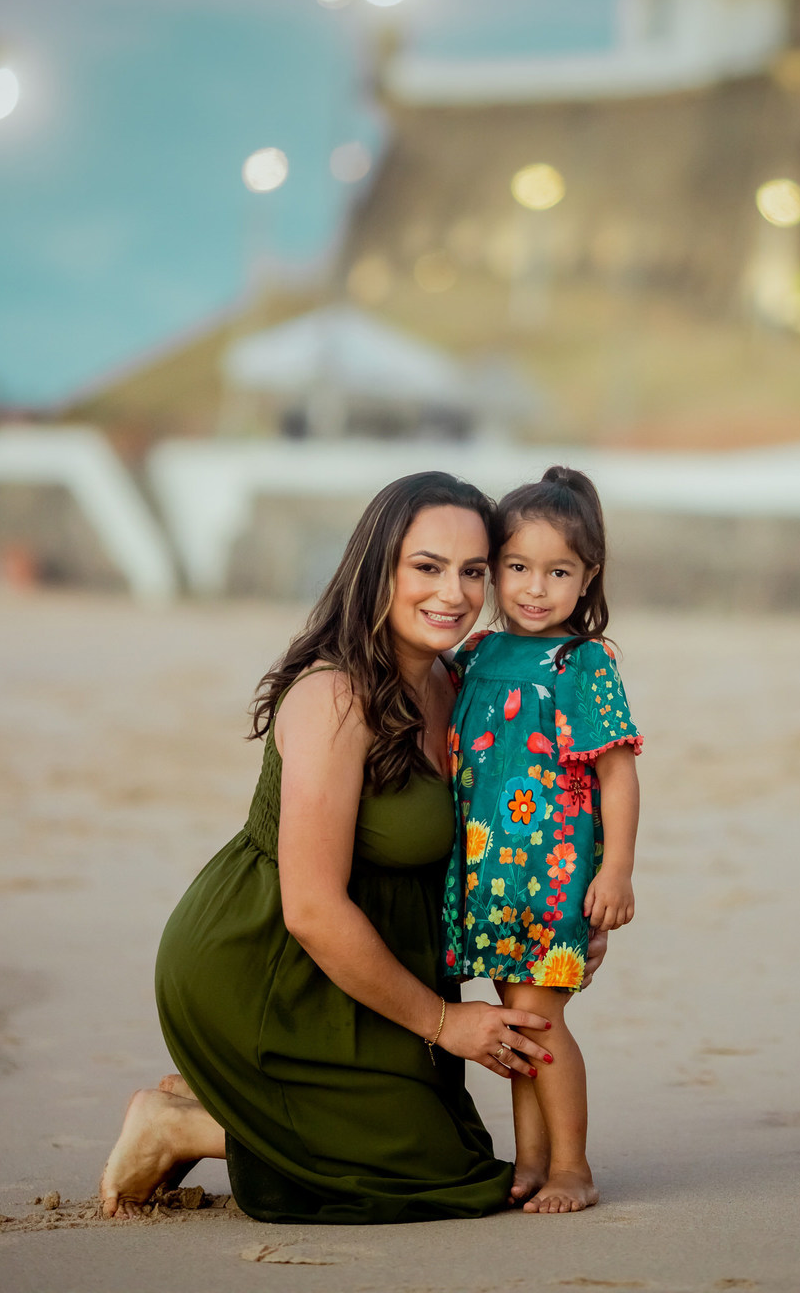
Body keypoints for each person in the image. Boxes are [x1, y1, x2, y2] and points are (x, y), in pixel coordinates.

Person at [99, 470, 607, 1223]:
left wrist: (568, 916)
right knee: (432, 1176)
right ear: (378, 569)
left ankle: (228, 1098)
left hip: (378, 958)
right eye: (427, 567)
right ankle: (181, 1124)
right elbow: (309, 909)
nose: (454, 594)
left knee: (457, 1151)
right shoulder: (334, 698)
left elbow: (522, 829)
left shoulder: (461, 683)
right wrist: (444, 1023)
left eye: (473, 571)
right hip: (270, 961)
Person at [442, 466, 641, 1214]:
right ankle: (530, 1161)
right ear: (494, 569)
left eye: (558, 572)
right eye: (517, 567)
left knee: (542, 1024)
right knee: (520, 1024)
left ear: (587, 578)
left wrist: (616, 873)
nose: (534, 588)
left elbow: (619, 775)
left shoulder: (581, 662)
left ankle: (572, 1167)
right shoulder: (477, 654)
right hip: (487, 877)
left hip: (550, 878)